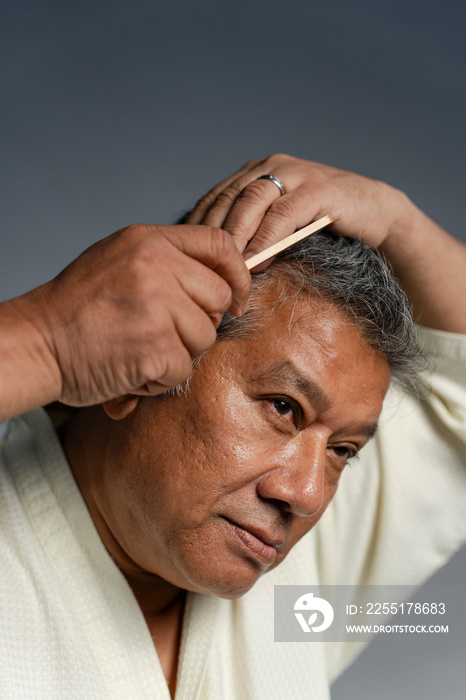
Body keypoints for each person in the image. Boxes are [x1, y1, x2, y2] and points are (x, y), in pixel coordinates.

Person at [1, 155, 465, 699]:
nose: (307, 494)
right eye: (283, 407)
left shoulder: (297, 588)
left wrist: (396, 217)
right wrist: (42, 342)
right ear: (139, 373)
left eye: (343, 449)